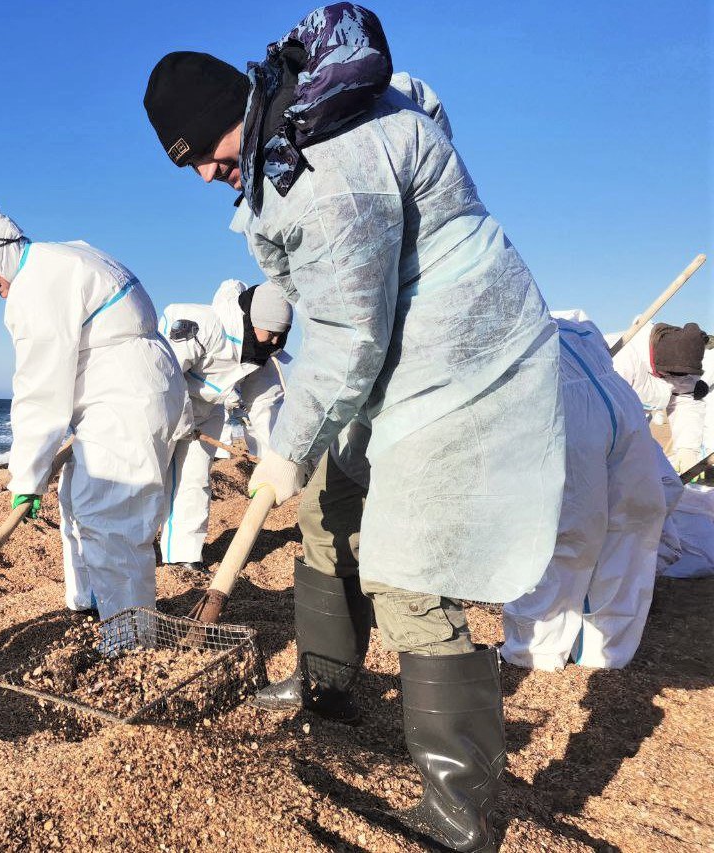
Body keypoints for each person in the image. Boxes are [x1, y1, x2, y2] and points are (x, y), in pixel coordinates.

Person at [142, 5, 565, 851]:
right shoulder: (291, 135)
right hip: (391, 365)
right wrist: (299, 457)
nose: (204, 178)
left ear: (233, 111)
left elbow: (347, 332)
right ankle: (325, 687)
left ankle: (459, 812)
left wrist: (286, 446)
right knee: (326, 513)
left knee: (410, 569)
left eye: (202, 155)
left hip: (454, 365)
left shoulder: (329, 166)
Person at [0, 202, 188, 620]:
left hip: (124, 400)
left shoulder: (36, 285)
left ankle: (130, 633)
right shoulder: (63, 255)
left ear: (2, 250)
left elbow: (40, 390)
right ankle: (91, 605)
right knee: (77, 499)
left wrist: (25, 478)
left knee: (112, 517)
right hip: (130, 390)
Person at [501, 312, 667, 670]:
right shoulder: (575, 321)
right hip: (618, 402)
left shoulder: (525, 323)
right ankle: (606, 653)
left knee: (562, 535)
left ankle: (535, 654)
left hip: (564, 410)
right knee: (628, 529)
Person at [158, 279, 291, 571]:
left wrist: (269, 462)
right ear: (254, 320)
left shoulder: (262, 354)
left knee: (194, 480)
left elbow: (265, 405)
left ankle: (183, 554)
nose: (274, 343)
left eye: (281, 336)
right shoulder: (201, 326)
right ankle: (134, 552)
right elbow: (164, 376)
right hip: (162, 408)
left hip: (207, 413)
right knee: (150, 479)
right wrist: (180, 420)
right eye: (271, 333)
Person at [607, 320, 709, 473]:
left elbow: (685, 400)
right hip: (608, 432)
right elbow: (610, 415)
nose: (677, 379)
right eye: (670, 374)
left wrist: (687, 449)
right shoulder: (621, 358)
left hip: (637, 430)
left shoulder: (682, 356)